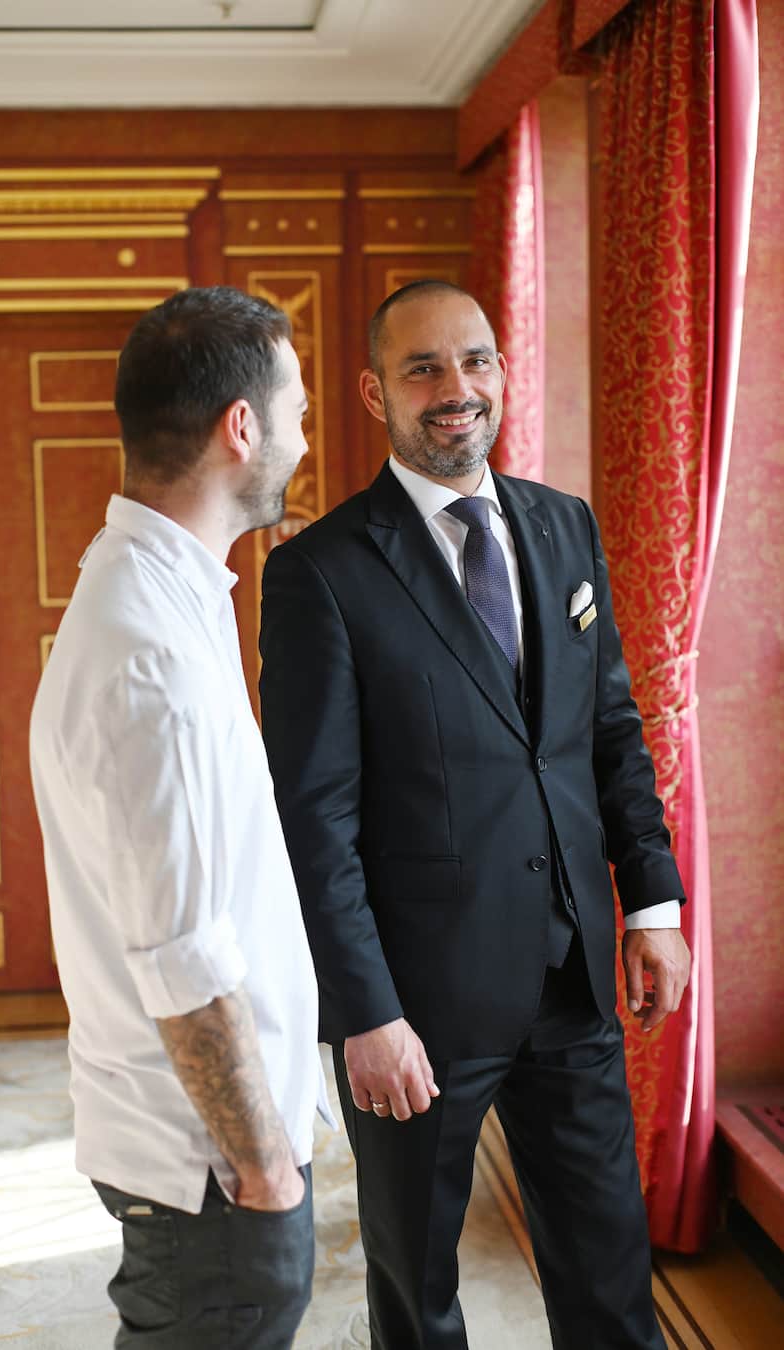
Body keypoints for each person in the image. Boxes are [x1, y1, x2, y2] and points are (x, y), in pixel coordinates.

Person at [258, 279, 691, 1350]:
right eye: (425, 369)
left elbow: (609, 732)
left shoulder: (564, 528)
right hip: (418, 1008)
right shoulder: (321, 572)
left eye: (478, 360)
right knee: (420, 1298)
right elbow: (314, 815)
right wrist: (364, 1013)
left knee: (611, 1278)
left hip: (571, 979)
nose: (458, 390)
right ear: (374, 392)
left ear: (501, 369)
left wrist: (651, 904)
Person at [30, 286, 332, 1350]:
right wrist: (263, 1166)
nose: (305, 436)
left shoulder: (167, 596)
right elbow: (184, 962)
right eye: (296, 409)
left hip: (210, 1154)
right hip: (207, 1170)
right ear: (240, 427)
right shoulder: (147, 651)